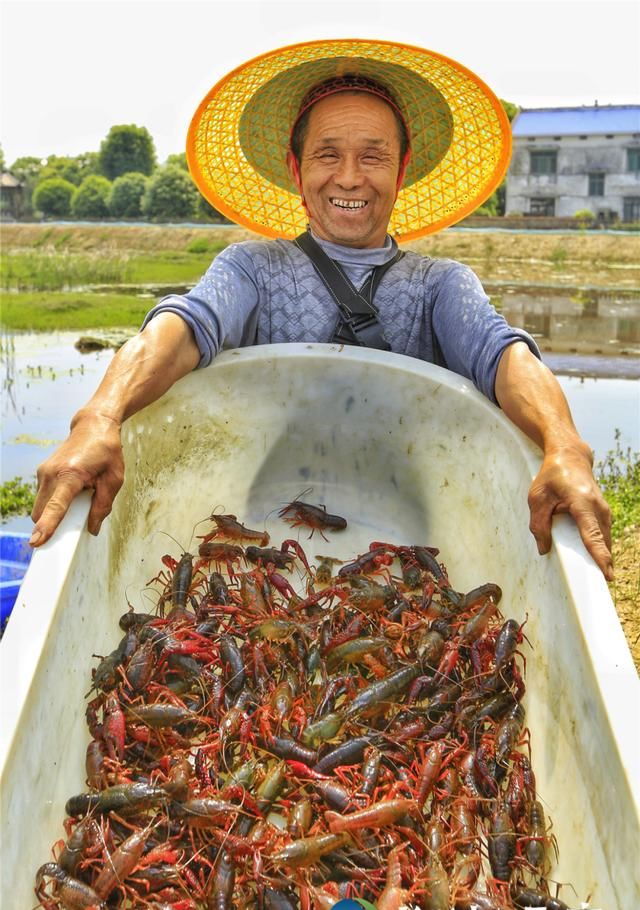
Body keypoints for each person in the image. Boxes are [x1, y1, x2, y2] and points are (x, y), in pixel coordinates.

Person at [29, 40, 613, 579]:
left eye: (374, 156)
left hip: (407, 543)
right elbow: (182, 328)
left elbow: (503, 355)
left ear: (402, 169)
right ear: (296, 169)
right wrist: (100, 418)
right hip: (267, 536)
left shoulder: (441, 285)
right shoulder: (250, 269)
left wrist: (564, 445)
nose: (350, 177)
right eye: (328, 154)